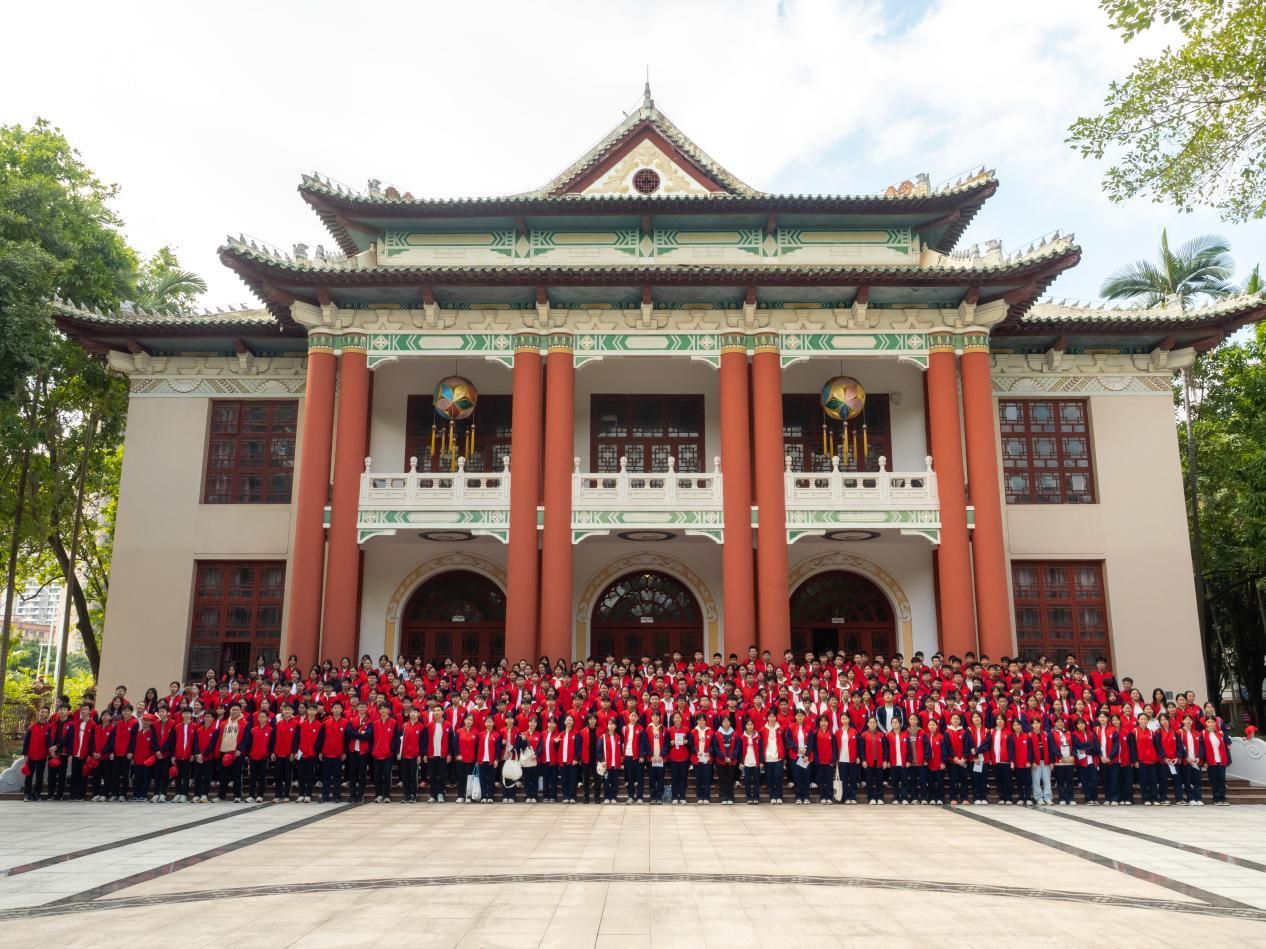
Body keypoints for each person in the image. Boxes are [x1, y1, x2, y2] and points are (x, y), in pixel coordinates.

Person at [21, 707, 52, 802]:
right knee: (29, 775)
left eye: (45, 712)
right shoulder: (32, 727)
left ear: (48, 714)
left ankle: (37, 794)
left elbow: (50, 742)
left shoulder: (50, 727)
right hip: (31, 755)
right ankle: (27, 794)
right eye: (42, 712)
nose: (43, 714)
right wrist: (25, 753)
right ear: (39, 713)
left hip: (42, 756)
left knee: (40, 775)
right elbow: (26, 741)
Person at [1201, 716, 1231, 806]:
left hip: (1221, 760)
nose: (1211, 724)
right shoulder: (1203, 733)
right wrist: (1204, 761)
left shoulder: (1220, 733)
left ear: (1215, 723)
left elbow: (1226, 747)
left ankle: (1223, 798)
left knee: (1222, 780)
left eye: (1212, 722)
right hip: (1210, 761)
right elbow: (1202, 749)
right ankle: (1216, 798)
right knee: (1214, 780)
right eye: (1209, 722)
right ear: (1206, 723)